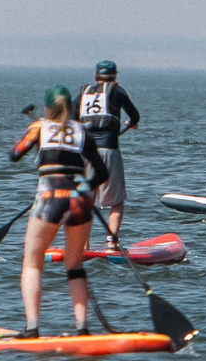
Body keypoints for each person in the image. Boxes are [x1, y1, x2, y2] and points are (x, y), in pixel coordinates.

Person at [9, 86, 110, 337]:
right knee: (75, 265)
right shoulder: (82, 130)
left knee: (32, 264)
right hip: (80, 199)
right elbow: (102, 173)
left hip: (49, 199)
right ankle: (82, 327)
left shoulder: (39, 127)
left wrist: (33, 134)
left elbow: (14, 154)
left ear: (47, 108)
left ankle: (32, 328)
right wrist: (85, 186)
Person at [75, 60, 143, 241]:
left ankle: (82, 245)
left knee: (84, 201)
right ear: (114, 76)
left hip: (84, 154)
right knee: (116, 201)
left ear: (96, 75)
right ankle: (111, 243)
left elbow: (71, 120)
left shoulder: (84, 93)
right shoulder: (117, 91)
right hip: (109, 151)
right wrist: (131, 124)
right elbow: (134, 116)